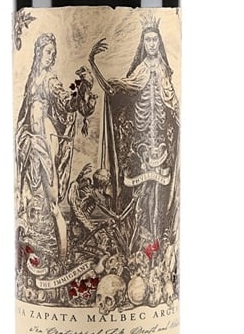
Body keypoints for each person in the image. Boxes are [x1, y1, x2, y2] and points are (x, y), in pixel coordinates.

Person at [89, 17, 179, 250]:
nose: (151, 44)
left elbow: (171, 101)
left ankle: (156, 238)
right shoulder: (140, 70)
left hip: (160, 141)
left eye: (155, 40)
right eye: (148, 40)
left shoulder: (164, 70)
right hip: (140, 143)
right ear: (143, 43)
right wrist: (93, 64)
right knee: (139, 191)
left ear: (159, 42)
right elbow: (117, 88)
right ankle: (138, 237)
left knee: (159, 190)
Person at [16, 33, 95, 261]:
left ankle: (60, 253)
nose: (51, 56)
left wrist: (83, 89)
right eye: (47, 52)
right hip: (32, 143)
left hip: (46, 142)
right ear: (38, 53)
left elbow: (66, 102)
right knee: (34, 196)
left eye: (53, 52)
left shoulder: (51, 80)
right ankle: (44, 249)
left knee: (52, 200)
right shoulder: (33, 79)